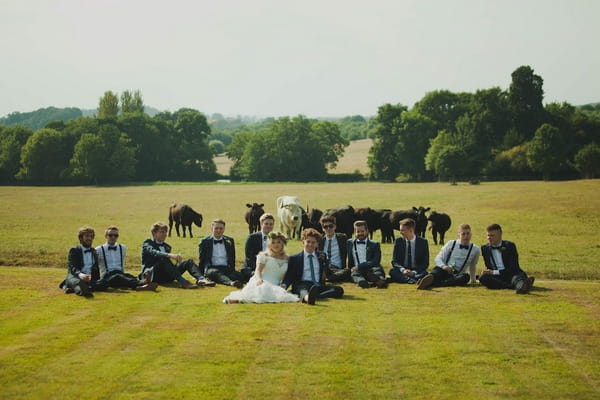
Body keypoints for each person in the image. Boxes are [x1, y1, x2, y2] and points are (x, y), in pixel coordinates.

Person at [223, 232, 299, 304]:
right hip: (262, 280)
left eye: (278, 242)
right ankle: (240, 300)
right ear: (269, 245)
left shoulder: (287, 259)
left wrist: (283, 285)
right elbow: (258, 270)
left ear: (282, 244)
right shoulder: (264, 256)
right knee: (263, 289)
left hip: (276, 284)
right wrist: (259, 279)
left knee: (281, 295)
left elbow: (286, 275)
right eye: (273, 242)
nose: (276, 245)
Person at [140, 221, 210, 289]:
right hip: (152, 275)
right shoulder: (148, 243)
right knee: (164, 259)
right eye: (161, 232)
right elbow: (154, 252)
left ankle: (201, 279)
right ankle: (183, 282)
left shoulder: (167, 246)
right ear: (154, 233)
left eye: (165, 232)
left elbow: (168, 264)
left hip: (166, 276)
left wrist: (176, 262)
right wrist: (169, 255)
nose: (165, 234)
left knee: (189, 262)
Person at [283, 228, 344, 305]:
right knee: (303, 291)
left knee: (339, 290)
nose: (310, 245)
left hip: (317, 285)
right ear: (303, 242)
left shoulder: (322, 256)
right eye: (308, 242)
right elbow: (289, 276)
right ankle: (308, 298)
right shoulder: (295, 258)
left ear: (317, 244)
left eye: (313, 242)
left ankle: (315, 296)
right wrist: (284, 286)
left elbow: (326, 270)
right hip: (302, 284)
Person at [416, 223, 480, 290]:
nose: (466, 236)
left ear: (471, 234)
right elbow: (438, 258)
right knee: (438, 270)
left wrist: (473, 280)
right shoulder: (451, 243)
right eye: (463, 234)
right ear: (458, 235)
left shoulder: (475, 249)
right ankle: (430, 278)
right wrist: (444, 266)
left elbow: (473, 266)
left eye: (468, 233)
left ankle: (431, 283)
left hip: (457, 275)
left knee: (465, 277)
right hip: (444, 270)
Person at [96, 225, 157, 291]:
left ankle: (141, 286)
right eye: (110, 235)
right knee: (117, 277)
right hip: (107, 275)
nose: (113, 237)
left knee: (129, 277)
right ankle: (142, 283)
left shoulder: (122, 248)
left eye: (116, 235)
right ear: (106, 236)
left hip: (120, 273)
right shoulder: (99, 249)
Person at [479, 224, 534, 294]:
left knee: (517, 278)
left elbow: (514, 267)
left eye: (492, 235)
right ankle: (513, 286)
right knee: (483, 277)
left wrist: (494, 272)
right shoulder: (485, 248)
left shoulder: (510, 246)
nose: (489, 238)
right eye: (488, 235)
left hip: (511, 273)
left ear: (500, 235)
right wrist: (488, 272)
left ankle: (521, 286)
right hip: (497, 277)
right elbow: (488, 266)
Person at [59, 225, 109, 297]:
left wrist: (94, 279)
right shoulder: (74, 250)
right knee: (78, 282)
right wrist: (81, 275)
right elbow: (73, 267)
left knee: (104, 283)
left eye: (91, 236)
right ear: (81, 237)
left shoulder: (94, 252)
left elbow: (96, 269)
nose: (89, 238)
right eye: (87, 236)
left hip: (89, 280)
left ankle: (77, 289)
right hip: (75, 277)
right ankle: (82, 290)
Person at [198, 219, 243, 288]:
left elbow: (232, 257)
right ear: (211, 229)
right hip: (212, 268)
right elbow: (202, 259)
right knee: (214, 273)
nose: (218, 230)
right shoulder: (205, 241)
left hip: (226, 268)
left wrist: (233, 270)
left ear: (224, 229)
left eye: (221, 228)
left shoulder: (230, 240)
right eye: (216, 228)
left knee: (240, 275)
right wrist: (201, 275)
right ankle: (231, 283)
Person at [347, 221, 387, 289]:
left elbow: (376, 261)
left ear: (367, 231)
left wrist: (359, 266)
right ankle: (363, 283)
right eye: (358, 231)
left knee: (376, 271)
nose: (360, 233)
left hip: (371, 268)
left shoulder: (375, 244)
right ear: (354, 232)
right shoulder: (349, 243)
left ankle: (380, 281)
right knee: (354, 274)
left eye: (362, 231)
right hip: (357, 270)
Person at [389, 218, 429, 284]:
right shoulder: (398, 241)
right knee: (392, 271)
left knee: (425, 273)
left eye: (403, 230)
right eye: (400, 230)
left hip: (416, 270)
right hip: (403, 270)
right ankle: (413, 280)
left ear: (411, 230)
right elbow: (394, 261)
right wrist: (403, 270)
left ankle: (408, 278)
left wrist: (413, 272)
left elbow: (425, 263)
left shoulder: (423, 242)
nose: (400, 233)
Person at [240, 213, 275, 282]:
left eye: (271, 224)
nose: (269, 226)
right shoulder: (252, 237)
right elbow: (249, 258)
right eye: (266, 224)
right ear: (261, 224)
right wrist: (261, 269)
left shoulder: (275, 238)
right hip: (252, 268)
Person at [318, 216, 351, 282]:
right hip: (325, 267)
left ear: (335, 226)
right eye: (325, 227)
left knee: (348, 271)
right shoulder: (320, 240)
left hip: (337, 268)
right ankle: (332, 278)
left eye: (330, 226)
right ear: (322, 229)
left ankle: (327, 279)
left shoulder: (342, 238)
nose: (328, 229)